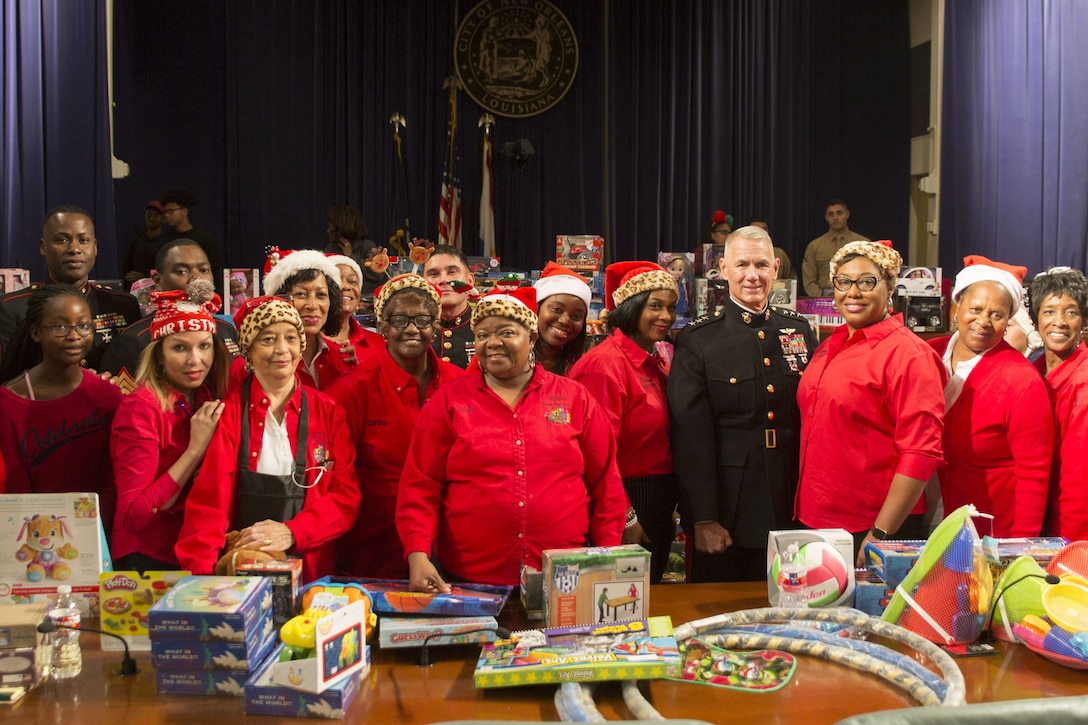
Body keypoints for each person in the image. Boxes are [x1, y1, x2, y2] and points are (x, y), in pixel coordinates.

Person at [397, 286, 626, 589]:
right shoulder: (449, 401)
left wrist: (608, 549)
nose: (492, 344)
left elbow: (606, 482)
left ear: (531, 337)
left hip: (564, 575)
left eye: (506, 332)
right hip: (470, 577)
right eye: (482, 335)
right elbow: (420, 485)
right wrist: (417, 552)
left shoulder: (574, 399)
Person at [175, 296, 360, 581]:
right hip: (240, 576)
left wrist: (292, 532)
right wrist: (201, 579)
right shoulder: (229, 414)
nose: (281, 349)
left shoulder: (329, 412)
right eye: (268, 339)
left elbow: (344, 497)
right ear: (248, 349)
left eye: (290, 338)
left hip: (312, 571)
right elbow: (208, 505)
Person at [669, 226, 816, 582]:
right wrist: (703, 518)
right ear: (723, 268)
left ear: (776, 269)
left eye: (762, 265)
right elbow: (690, 438)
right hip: (730, 507)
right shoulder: (698, 339)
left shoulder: (798, 330)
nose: (753, 275)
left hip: (793, 498)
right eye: (742, 265)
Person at [796, 241, 946, 563]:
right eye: (844, 281)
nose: (853, 292)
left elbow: (921, 452)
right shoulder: (831, 345)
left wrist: (881, 533)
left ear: (890, 287)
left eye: (867, 282)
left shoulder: (908, 354)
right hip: (817, 518)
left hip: (870, 528)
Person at [329, 274, 464, 578]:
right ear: (383, 327)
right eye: (400, 319)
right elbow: (335, 479)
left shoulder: (461, 384)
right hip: (372, 553)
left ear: (436, 326)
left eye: (423, 320)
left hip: (452, 550)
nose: (412, 329)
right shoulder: (351, 391)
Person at [569, 261, 679, 583]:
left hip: (654, 500)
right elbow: (597, 456)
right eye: (654, 306)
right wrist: (626, 517)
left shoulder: (653, 359)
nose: (666, 317)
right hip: (628, 502)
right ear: (630, 307)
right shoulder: (605, 366)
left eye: (671, 308)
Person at [928, 256, 1053, 537]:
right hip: (917, 515)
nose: (983, 321)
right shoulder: (927, 354)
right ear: (956, 306)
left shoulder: (1022, 381)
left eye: (997, 315)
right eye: (975, 308)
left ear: (1008, 320)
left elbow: (1033, 475)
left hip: (986, 534)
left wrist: (1021, 546)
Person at [110, 282, 229, 571]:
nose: (195, 360)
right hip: (147, 561)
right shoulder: (141, 407)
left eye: (204, 346)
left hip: (193, 549)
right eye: (180, 348)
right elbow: (134, 515)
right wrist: (195, 450)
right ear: (159, 353)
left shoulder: (205, 393)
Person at [0, 285, 123, 532]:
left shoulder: (108, 395)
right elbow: (12, 487)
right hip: (31, 534)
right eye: (60, 326)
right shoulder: (9, 402)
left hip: (97, 533)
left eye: (84, 326)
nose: (74, 335)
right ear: (36, 332)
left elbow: (111, 479)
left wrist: (95, 529)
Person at [0, 206, 141, 370]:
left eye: (83, 240)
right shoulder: (12, 308)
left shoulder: (124, 305)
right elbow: (7, 379)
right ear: (43, 247)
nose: (74, 249)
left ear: (95, 247)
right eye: (62, 240)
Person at [101, 239, 240, 393]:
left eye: (203, 270)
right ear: (158, 281)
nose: (196, 278)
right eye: (181, 271)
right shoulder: (133, 340)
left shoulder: (225, 329)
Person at [1030, 268, 1088, 540]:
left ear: (1083, 320)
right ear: (1036, 319)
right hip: (1040, 514)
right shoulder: (1034, 369)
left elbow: (1079, 482)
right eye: (1050, 311)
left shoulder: (1083, 383)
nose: (1060, 322)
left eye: (1071, 312)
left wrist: (1066, 545)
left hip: (1068, 529)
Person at [249, 248, 350, 390]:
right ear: (279, 299)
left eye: (321, 295)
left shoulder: (343, 359)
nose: (312, 305)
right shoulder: (258, 361)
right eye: (301, 294)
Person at [160, 187, 225, 298]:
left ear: (184, 211)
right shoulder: (165, 240)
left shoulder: (204, 238)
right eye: (165, 212)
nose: (166, 215)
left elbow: (216, 270)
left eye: (170, 211)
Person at [801, 199, 871, 297]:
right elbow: (809, 282)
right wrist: (823, 299)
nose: (835, 218)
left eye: (839, 213)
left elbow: (870, 276)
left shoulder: (863, 244)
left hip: (856, 297)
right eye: (831, 214)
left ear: (847, 214)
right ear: (826, 217)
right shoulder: (814, 246)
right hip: (823, 301)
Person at [423, 244, 477, 368]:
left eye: (452, 272)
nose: (444, 280)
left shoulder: (488, 326)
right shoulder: (414, 330)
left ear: (470, 281)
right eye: (433, 274)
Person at [533, 261, 590, 375]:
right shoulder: (513, 361)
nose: (564, 321)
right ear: (536, 308)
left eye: (576, 316)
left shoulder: (582, 368)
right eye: (557, 309)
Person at [326, 253, 384, 365]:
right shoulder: (305, 343)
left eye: (352, 281)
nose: (345, 286)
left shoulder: (379, 343)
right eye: (336, 280)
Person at [323, 205, 385, 295]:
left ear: (341, 229)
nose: (328, 231)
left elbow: (377, 276)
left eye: (331, 227)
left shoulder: (367, 246)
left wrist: (350, 257)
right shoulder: (331, 249)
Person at [120, 200, 168, 291]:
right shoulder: (137, 240)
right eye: (149, 213)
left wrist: (144, 277)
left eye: (156, 215)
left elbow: (167, 271)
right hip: (136, 290)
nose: (151, 218)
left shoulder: (167, 243)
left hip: (158, 290)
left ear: (163, 219)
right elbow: (126, 268)